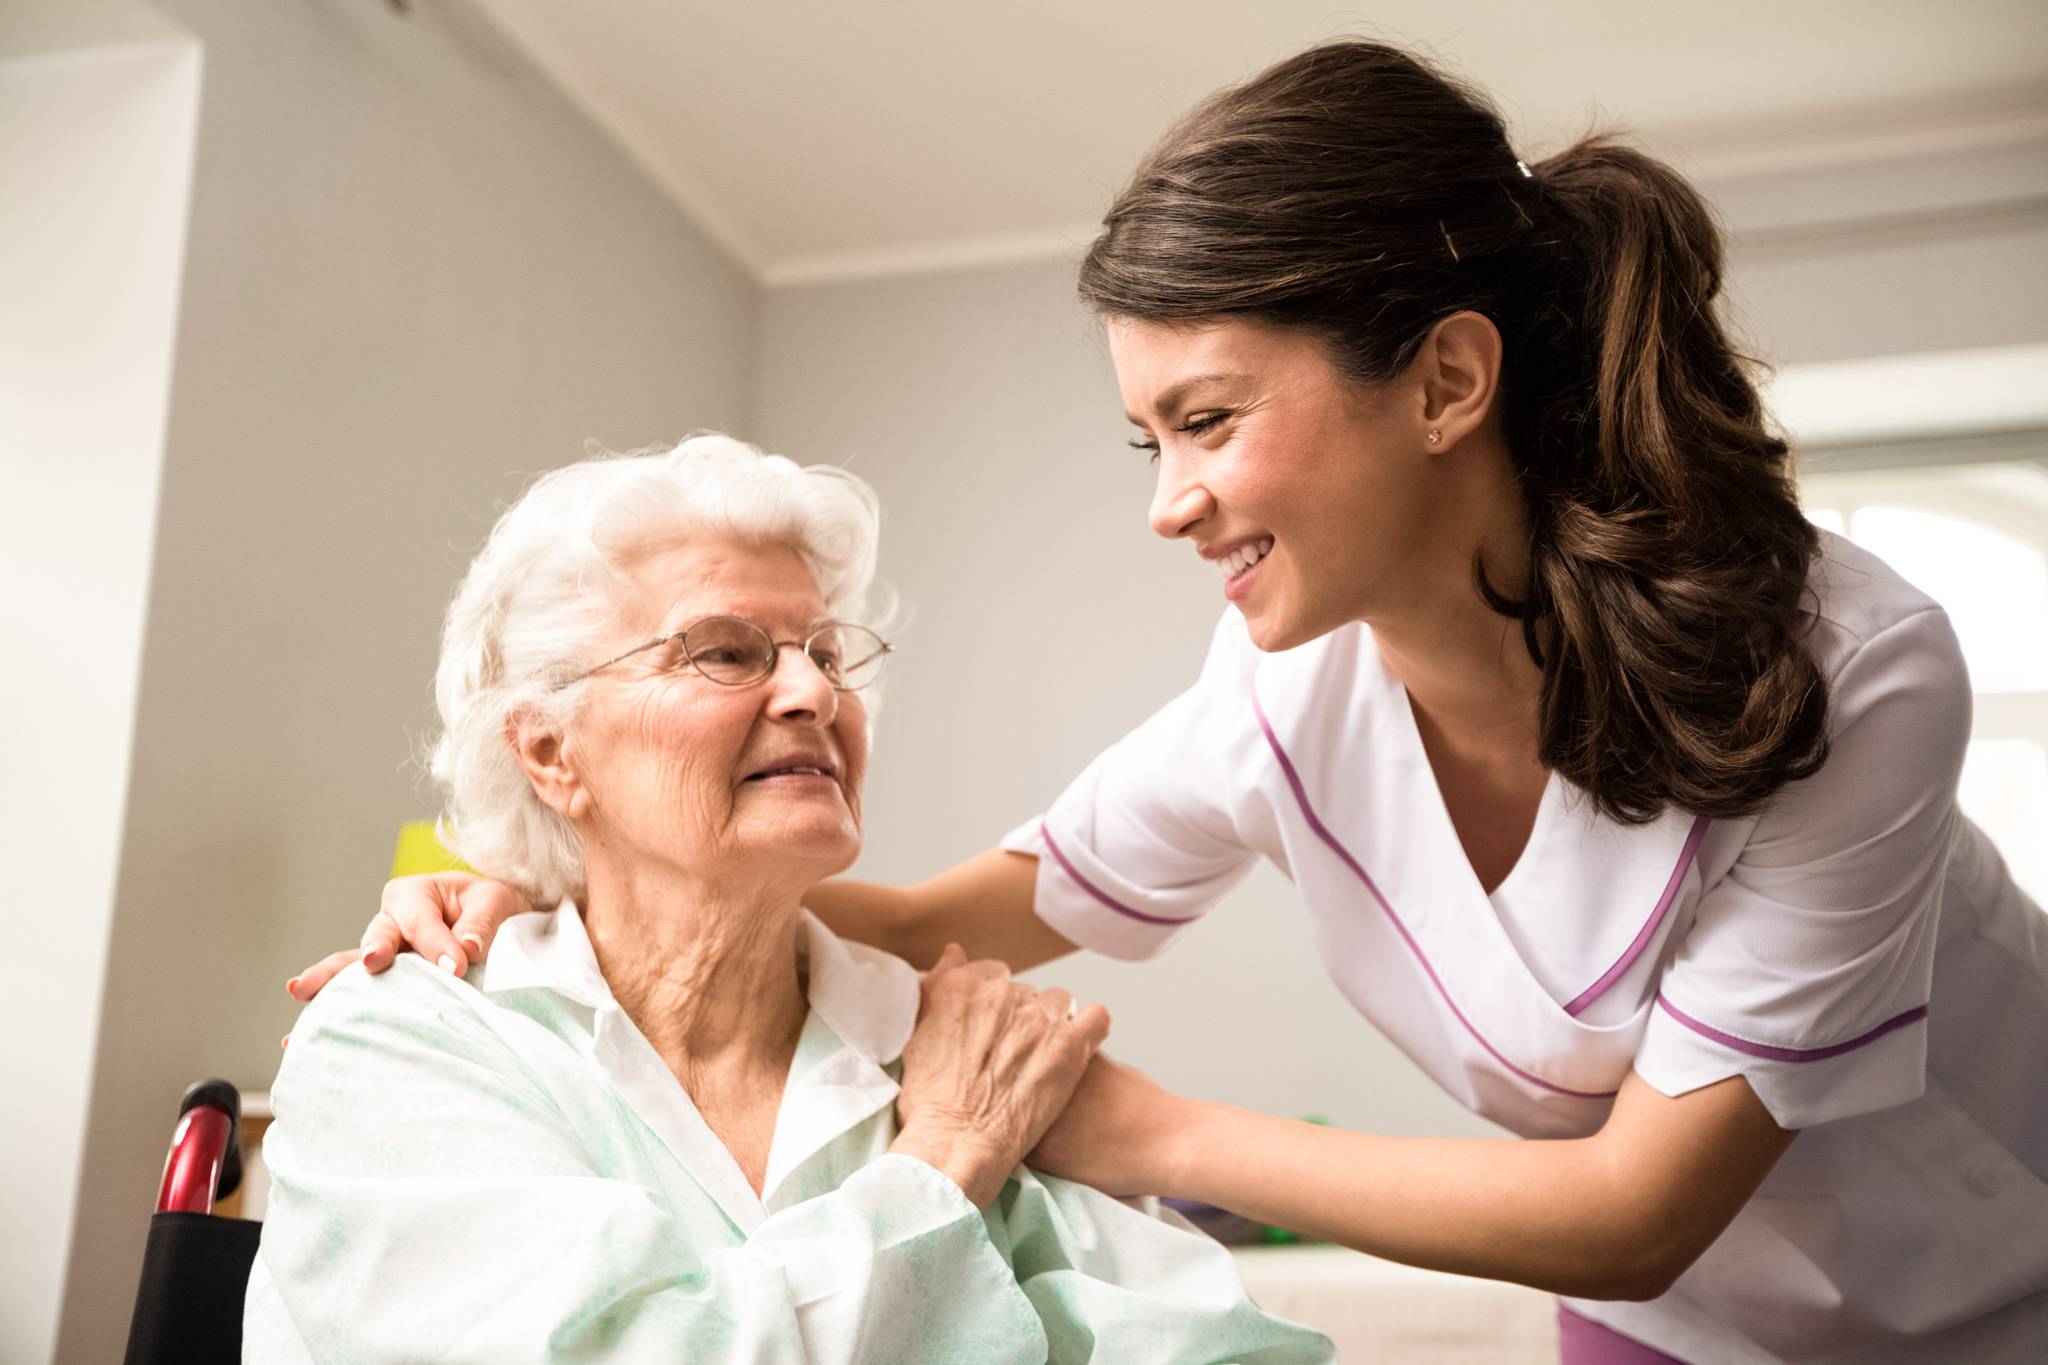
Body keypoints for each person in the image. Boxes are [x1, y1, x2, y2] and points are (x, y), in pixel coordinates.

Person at [297, 41, 2048, 1365]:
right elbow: (918, 915)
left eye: (1207, 422)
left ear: (1445, 378)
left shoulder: (1847, 665)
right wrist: (546, 882)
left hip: (1977, 1267)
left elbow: (1632, 1208)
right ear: (546, 744)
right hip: (1657, 1317)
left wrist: (1122, 1133)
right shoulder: (1273, 688)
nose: (1167, 503)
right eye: (1150, 441)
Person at [248, 435, 1334, 1363]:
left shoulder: (951, 1039)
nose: (815, 690)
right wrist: (944, 1160)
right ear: (549, 752)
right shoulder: (403, 1041)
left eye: (825, 653)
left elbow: (1205, 1346)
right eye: (725, 652)